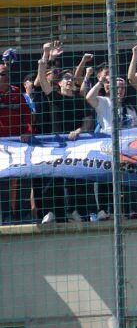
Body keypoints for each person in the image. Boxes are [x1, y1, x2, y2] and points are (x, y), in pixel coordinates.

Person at [34, 44, 94, 224]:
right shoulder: (53, 96)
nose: (68, 80)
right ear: (58, 83)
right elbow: (42, 79)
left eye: (71, 78)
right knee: (53, 180)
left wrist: (80, 130)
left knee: (72, 180)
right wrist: (45, 53)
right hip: (55, 145)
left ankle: (72, 211)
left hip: (75, 145)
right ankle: (51, 212)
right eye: (65, 78)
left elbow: (89, 120)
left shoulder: (79, 100)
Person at [85, 75, 137, 219]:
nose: (120, 90)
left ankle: (129, 210)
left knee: (127, 179)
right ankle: (105, 210)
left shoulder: (130, 108)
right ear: (110, 88)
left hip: (128, 148)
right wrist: (100, 83)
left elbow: (136, 126)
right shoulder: (104, 102)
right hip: (108, 147)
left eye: (123, 87)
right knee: (106, 179)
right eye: (117, 87)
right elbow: (89, 97)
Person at [0, 60, 33, 224]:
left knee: (24, 176)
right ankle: (6, 216)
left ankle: (23, 213)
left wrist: (27, 132)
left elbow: (26, 116)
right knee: (4, 182)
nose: (6, 77)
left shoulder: (16, 93)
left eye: (7, 74)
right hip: (1, 148)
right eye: (2, 74)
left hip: (18, 146)